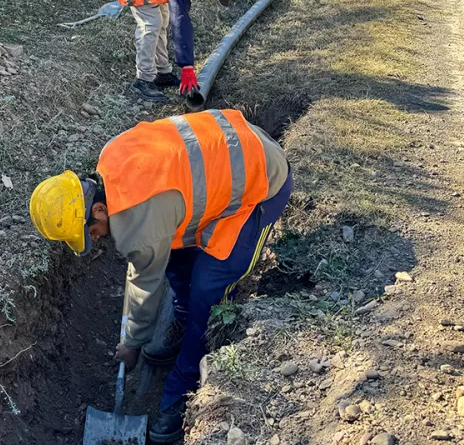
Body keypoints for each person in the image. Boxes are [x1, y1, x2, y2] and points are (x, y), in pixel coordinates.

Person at [29, 109, 293, 443]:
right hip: (230, 148)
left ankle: (183, 386)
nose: (94, 239)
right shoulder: (110, 159)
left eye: (91, 232)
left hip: (259, 181)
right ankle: (181, 319)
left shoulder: (141, 222)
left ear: (98, 209)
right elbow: (149, 251)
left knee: (208, 293)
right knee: (175, 257)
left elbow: (145, 285)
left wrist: (132, 344)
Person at [115, 0, 249, 102]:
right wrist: (187, 66)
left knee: (162, 20)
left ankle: (163, 72)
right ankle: (143, 80)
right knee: (151, 24)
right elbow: (180, 19)